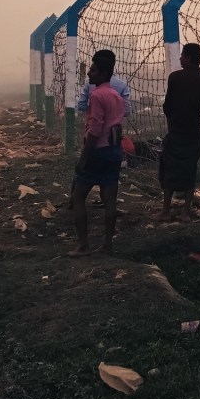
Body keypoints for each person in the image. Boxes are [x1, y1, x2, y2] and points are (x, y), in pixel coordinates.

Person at [70, 52, 125, 255]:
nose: (90, 74)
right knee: (109, 198)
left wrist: (84, 158)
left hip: (98, 151)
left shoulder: (97, 96)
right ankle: (108, 244)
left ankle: (84, 245)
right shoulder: (117, 96)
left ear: (102, 73)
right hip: (114, 150)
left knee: (78, 197)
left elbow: (94, 130)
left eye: (93, 70)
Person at [159, 42, 200, 222]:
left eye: (183, 55)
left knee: (169, 169)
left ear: (189, 58)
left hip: (176, 131)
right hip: (194, 134)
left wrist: (171, 124)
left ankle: (166, 211)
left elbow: (167, 107)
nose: (180, 58)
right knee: (190, 171)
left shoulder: (175, 78)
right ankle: (185, 212)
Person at [76, 49, 132, 116]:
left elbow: (81, 106)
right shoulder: (122, 85)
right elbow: (126, 111)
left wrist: (96, 110)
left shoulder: (90, 82)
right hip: (114, 125)